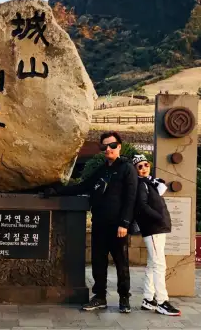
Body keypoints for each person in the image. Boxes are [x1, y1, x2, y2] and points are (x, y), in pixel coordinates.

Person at [44, 131, 138, 313]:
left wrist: (125, 223)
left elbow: (131, 198)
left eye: (111, 146)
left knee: (121, 262)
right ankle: (100, 296)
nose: (108, 149)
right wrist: (57, 191)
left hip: (117, 225)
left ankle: (124, 298)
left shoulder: (127, 169)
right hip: (99, 223)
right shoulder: (101, 170)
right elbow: (82, 186)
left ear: (119, 146)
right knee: (98, 261)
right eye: (104, 147)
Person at [132, 154, 181, 317]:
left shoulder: (151, 183)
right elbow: (142, 206)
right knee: (159, 264)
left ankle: (148, 298)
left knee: (153, 263)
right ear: (135, 170)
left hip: (158, 228)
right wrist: (158, 217)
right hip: (153, 229)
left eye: (145, 164)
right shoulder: (141, 185)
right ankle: (162, 301)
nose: (144, 168)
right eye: (140, 166)